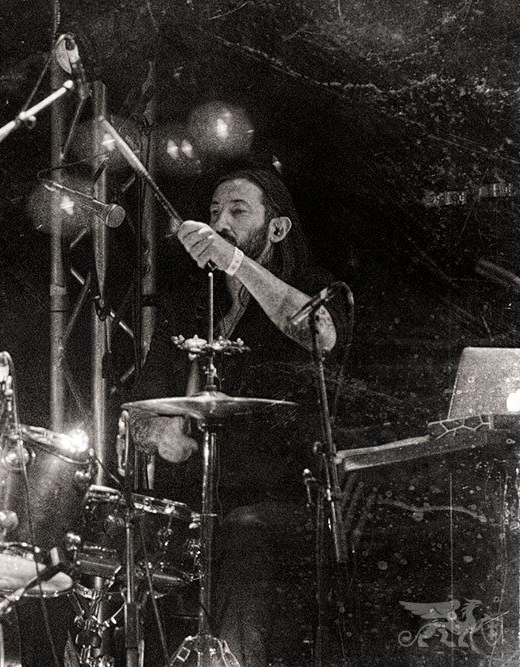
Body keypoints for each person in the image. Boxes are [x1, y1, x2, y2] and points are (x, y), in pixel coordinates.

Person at [128, 163, 350, 667]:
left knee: (245, 532)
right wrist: (160, 434)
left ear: (277, 228)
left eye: (237, 211)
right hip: (197, 502)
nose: (220, 223)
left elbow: (319, 334)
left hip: (284, 500)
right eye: (213, 212)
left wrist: (236, 262)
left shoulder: (309, 285)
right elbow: (139, 410)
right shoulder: (191, 304)